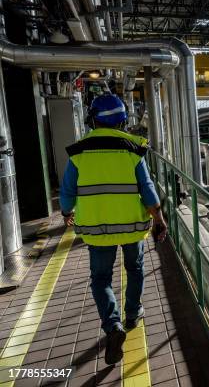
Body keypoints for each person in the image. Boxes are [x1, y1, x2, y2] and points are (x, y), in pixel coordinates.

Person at [59, 93, 167, 365]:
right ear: (122, 120)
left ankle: (113, 325)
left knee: (101, 279)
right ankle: (133, 312)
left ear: (92, 119)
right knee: (135, 268)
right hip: (132, 225)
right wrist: (159, 217)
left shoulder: (79, 151)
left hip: (97, 228)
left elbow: (68, 190)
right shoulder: (133, 149)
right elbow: (147, 187)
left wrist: (66, 212)